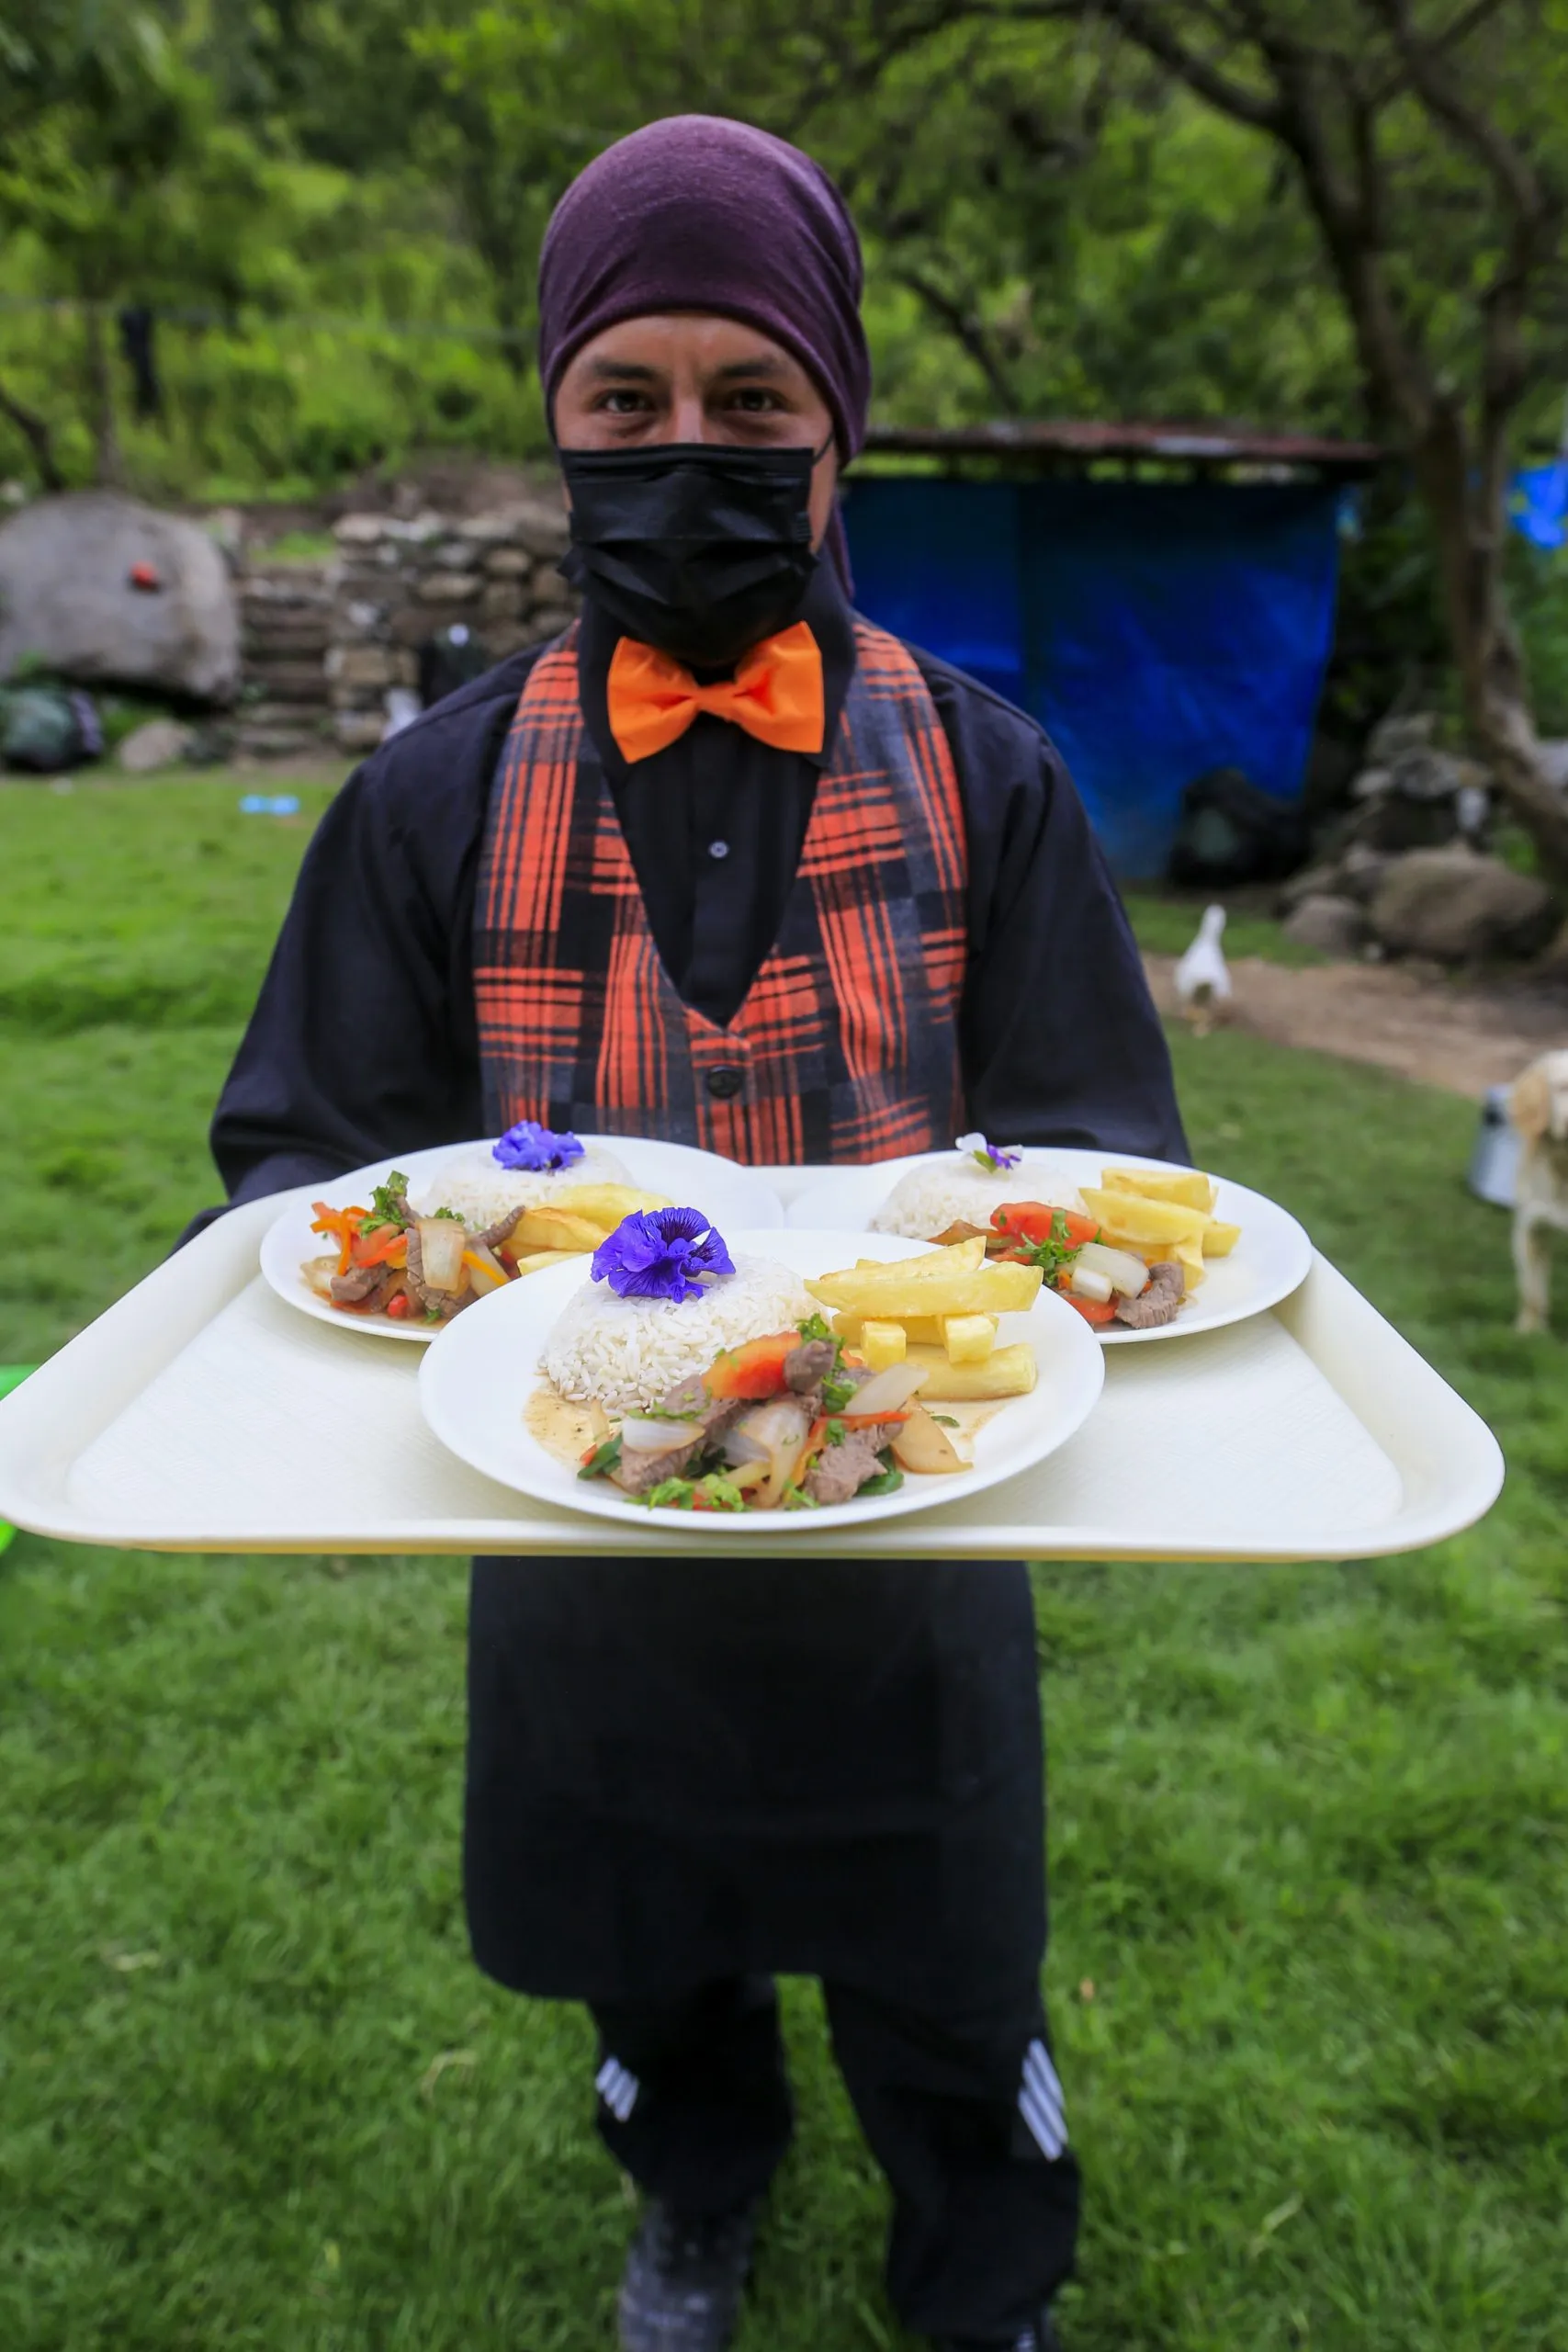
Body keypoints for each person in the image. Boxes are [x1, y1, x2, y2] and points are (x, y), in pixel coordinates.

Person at [200, 117, 1186, 2352]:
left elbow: (1106, 1157)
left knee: (950, 1974)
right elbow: (299, 1160)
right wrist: (392, 1270)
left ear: (840, 430)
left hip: (913, 1552)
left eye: (751, 399)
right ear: (556, 421)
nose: (685, 448)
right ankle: (693, 2192)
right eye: (622, 399)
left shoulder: (989, 774)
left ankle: (979, 2274)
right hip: (581, 1559)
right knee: (646, 1955)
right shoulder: (431, 795)